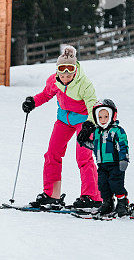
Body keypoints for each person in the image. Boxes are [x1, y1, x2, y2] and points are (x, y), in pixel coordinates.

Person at [21, 45, 101, 210]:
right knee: (52, 154)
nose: (65, 75)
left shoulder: (84, 83)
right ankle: (52, 195)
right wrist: (33, 102)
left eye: (69, 70)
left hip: (83, 121)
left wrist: (90, 125)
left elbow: (93, 104)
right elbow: (45, 95)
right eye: (61, 71)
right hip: (63, 120)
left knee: (83, 157)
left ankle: (92, 196)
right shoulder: (53, 81)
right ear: (57, 70)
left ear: (75, 70)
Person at [79, 99, 132, 216]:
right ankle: (107, 203)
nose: (103, 120)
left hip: (115, 164)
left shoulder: (117, 131)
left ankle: (123, 202)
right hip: (102, 164)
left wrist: (124, 159)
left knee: (116, 184)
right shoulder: (97, 132)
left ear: (112, 116)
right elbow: (95, 146)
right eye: (100, 117)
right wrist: (84, 141)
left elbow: (122, 145)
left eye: (106, 116)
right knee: (103, 185)